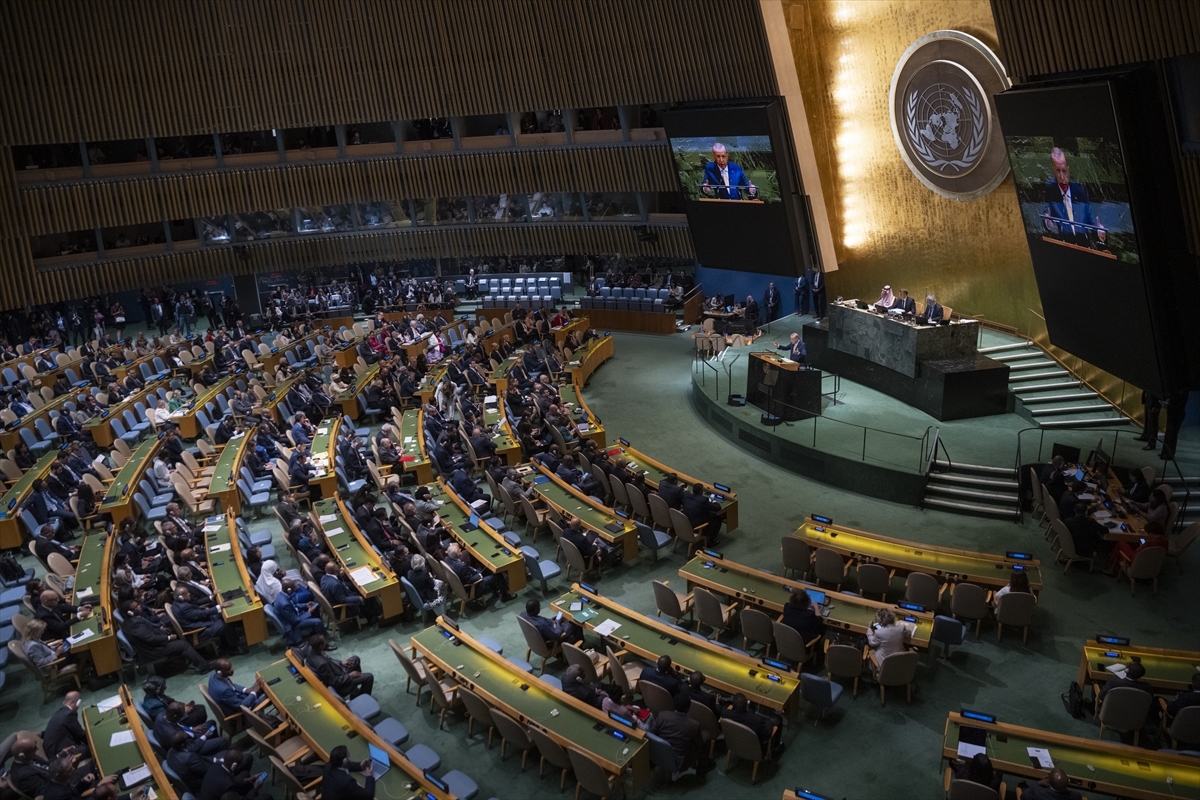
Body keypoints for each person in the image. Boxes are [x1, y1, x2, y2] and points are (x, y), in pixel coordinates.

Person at [120, 600, 212, 672]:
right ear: (130, 612)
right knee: (183, 645)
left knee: (176, 628)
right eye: (135, 607)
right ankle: (205, 667)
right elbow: (151, 639)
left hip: (154, 641)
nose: (139, 607)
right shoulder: (135, 624)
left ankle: (197, 652)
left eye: (138, 605)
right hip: (153, 650)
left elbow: (148, 630)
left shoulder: (132, 620)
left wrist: (161, 629)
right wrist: (168, 638)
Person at [1042, 146, 1103, 245]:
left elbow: (1093, 224)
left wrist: (1100, 234)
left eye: (1064, 171)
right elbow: (1046, 219)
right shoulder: (1050, 190)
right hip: (1063, 248)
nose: (1062, 177)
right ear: (1053, 169)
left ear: (1068, 169)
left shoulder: (1080, 191)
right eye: (1058, 171)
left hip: (1084, 247)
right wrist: (1047, 223)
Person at [648, 692, 711, 779]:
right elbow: (699, 744)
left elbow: (651, 734)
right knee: (706, 735)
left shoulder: (662, 715)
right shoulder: (694, 725)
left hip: (658, 754)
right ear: (688, 708)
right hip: (678, 762)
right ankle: (702, 770)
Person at [302, 633, 374, 698]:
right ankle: (363, 698)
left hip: (337, 670)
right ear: (320, 646)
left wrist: (341, 662)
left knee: (355, 659)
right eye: (324, 641)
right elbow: (334, 681)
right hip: (341, 685)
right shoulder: (322, 664)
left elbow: (329, 659)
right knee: (369, 677)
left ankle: (355, 692)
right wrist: (350, 675)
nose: (326, 642)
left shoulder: (312, 649)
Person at [154, 702, 226, 757]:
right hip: (194, 745)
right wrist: (205, 736)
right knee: (223, 741)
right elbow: (190, 749)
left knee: (212, 724)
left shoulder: (162, 716)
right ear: (175, 716)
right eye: (183, 714)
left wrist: (191, 729)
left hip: (191, 735)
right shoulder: (174, 736)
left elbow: (178, 724)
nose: (184, 715)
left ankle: (214, 746)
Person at [724, 692, 784, 757]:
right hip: (754, 748)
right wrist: (770, 721)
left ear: (734, 705)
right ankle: (775, 749)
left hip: (735, 743)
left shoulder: (726, 714)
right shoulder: (757, 721)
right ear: (746, 704)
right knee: (778, 718)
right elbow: (767, 735)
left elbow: (723, 711)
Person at [272, 579, 328, 645]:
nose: (297, 587)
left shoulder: (282, 594)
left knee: (315, 609)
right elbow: (295, 620)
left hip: (295, 615)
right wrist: (309, 613)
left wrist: (306, 605)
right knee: (318, 621)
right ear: (289, 590)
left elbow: (294, 605)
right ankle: (324, 643)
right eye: (294, 586)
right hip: (294, 625)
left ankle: (315, 633)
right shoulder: (284, 604)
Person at [198, 748, 265, 800]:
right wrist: (255, 788)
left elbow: (230, 780)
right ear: (234, 765)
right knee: (266, 797)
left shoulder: (215, 766)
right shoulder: (229, 786)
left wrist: (247, 780)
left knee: (245, 774)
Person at [143, 675, 207, 726]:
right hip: (175, 723)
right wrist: (184, 713)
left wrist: (183, 705)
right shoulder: (155, 707)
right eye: (163, 687)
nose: (165, 688)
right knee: (201, 710)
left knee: (199, 707)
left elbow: (170, 701)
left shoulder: (154, 694)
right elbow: (168, 721)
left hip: (174, 713)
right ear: (157, 690)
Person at [43, 691, 89, 757]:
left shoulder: (59, 712)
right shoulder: (69, 714)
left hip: (51, 750)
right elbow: (80, 734)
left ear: (64, 702)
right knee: (92, 747)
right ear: (78, 703)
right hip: (60, 754)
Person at [866, 608, 910, 675]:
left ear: (879, 620)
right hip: (898, 665)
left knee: (870, 649)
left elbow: (872, 642)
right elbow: (908, 633)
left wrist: (869, 629)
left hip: (883, 667)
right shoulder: (901, 628)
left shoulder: (879, 632)